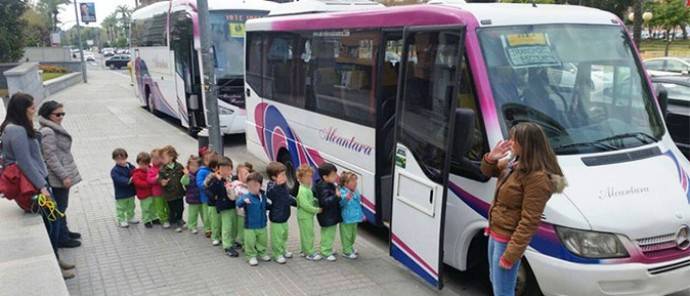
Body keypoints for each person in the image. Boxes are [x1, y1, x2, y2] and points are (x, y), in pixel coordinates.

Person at [480, 122, 567, 296]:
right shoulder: (515, 163)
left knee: (503, 291)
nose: (510, 143)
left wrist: (511, 254)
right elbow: (487, 171)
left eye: (514, 140)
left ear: (527, 144)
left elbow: (529, 221)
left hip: (507, 241)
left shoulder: (538, 178)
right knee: (496, 283)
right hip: (496, 233)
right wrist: (491, 157)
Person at [1, 93, 75, 279]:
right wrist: (42, 186)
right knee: (53, 222)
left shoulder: (13, 127)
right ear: (22, 109)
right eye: (32, 108)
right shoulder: (16, 130)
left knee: (53, 220)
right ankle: (55, 266)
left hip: (36, 181)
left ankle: (57, 259)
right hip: (34, 185)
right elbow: (24, 161)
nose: (34, 111)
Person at [38, 100, 82, 249]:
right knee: (60, 207)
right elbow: (50, 157)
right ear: (48, 115)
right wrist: (64, 176)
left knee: (62, 206)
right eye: (58, 114)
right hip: (57, 176)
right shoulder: (48, 131)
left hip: (61, 173)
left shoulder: (53, 127)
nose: (61, 116)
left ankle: (65, 232)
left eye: (63, 113)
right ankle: (62, 238)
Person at [206, 157, 240, 257]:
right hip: (224, 207)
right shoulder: (216, 179)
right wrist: (217, 180)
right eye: (223, 168)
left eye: (228, 168)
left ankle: (232, 241)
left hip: (233, 205)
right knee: (227, 226)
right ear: (218, 169)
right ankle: (227, 246)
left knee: (234, 225)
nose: (226, 171)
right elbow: (211, 190)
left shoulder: (233, 178)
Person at [235, 172, 271, 266]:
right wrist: (243, 201)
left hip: (262, 224)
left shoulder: (263, 196)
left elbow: (266, 206)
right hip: (250, 226)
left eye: (255, 185)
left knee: (262, 240)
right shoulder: (246, 196)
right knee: (250, 242)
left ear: (260, 185)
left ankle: (262, 252)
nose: (252, 188)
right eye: (250, 185)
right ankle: (251, 256)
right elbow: (238, 203)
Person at [265, 162, 297, 264]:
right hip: (276, 217)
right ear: (274, 177)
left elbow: (287, 197)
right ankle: (277, 254)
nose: (285, 177)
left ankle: (283, 250)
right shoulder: (272, 186)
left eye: (285, 174)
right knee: (277, 238)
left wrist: (296, 202)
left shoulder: (283, 185)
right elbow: (269, 194)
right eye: (282, 175)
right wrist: (276, 185)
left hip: (284, 216)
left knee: (284, 235)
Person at [313, 163, 341, 262]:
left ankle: (326, 248)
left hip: (329, 215)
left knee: (328, 234)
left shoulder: (326, 184)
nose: (336, 177)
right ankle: (326, 251)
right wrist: (336, 196)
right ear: (325, 177)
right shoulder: (324, 187)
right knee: (328, 234)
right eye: (333, 175)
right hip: (328, 216)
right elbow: (325, 202)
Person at [296, 165, 321, 261]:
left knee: (305, 234)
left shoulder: (306, 188)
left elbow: (309, 200)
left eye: (311, 176)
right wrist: (317, 210)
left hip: (305, 216)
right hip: (305, 216)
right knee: (308, 234)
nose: (310, 179)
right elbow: (305, 205)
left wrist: (315, 200)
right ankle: (310, 253)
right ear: (300, 178)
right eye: (307, 177)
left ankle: (304, 250)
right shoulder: (303, 190)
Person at [158, 145, 185, 232]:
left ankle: (180, 219)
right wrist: (162, 182)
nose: (162, 159)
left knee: (181, 207)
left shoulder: (179, 166)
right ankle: (173, 221)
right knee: (172, 209)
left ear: (171, 157)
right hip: (169, 194)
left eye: (163, 157)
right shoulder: (162, 169)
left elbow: (184, 176)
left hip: (179, 192)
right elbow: (160, 179)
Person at [338, 171, 364, 260]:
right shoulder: (342, 192)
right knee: (346, 235)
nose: (355, 183)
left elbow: (358, 204)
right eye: (352, 181)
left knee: (353, 235)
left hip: (355, 218)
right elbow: (340, 204)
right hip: (346, 218)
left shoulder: (355, 191)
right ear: (345, 183)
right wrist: (345, 199)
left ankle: (350, 246)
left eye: (355, 181)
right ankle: (347, 251)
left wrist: (361, 215)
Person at [111, 148, 138, 228]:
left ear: (126, 157)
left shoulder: (130, 166)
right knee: (121, 207)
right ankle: (121, 219)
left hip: (131, 191)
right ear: (114, 159)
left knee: (131, 205)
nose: (121, 161)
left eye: (122, 159)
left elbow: (136, 172)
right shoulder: (114, 170)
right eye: (118, 159)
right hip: (121, 193)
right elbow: (118, 179)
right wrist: (128, 180)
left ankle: (130, 217)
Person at [230, 162, 253, 249]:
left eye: (248, 173)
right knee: (241, 228)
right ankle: (242, 242)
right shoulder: (236, 184)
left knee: (248, 229)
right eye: (245, 174)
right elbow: (233, 193)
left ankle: (247, 242)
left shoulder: (251, 184)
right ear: (239, 176)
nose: (248, 175)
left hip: (250, 212)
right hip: (240, 212)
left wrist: (246, 185)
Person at [196, 150, 217, 238]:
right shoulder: (202, 171)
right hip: (205, 197)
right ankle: (207, 228)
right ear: (205, 161)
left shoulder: (213, 170)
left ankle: (214, 227)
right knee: (207, 214)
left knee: (213, 214)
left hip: (213, 197)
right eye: (209, 160)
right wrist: (207, 185)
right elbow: (199, 184)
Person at [132, 152, 155, 228]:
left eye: (145, 164)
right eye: (141, 164)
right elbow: (138, 183)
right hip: (144, 195)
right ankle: (146, 220)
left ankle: (154, 217)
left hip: (152, 193)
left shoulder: (151, 169)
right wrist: (149, 183)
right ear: (138, 163)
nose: (143, 166)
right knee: (146, 208)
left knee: (153, 206)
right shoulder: (137, 173)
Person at [204, 156, 222, 245]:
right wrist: (213, 196)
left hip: (222, 203)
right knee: (215, 222)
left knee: (221, 221)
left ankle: (221, 236)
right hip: (213, 203)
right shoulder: (210, 177)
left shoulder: (225, 176)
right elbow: (205, 188)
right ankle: (215, 237)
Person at [181, 155, 202, 234]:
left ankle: (207, 227)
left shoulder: (200, 174)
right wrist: (186, 175)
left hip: (201, 198)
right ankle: (192, 226)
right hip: (192, 198)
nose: (193, 168)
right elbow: (183, 182)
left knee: (204, 214)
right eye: (191, 165)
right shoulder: (188, 175)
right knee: (192, 214)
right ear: (188, 166)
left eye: (196, 166)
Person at [147, 148, 167, 226]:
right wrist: (156, 177)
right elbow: (149, 180)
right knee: (159, 208)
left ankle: (168, 217)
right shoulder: (151, 169)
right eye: (153, 158)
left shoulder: (165, 167)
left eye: (158, 158)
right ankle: (163, 220)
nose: (156, 160)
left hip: (166, 192)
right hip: (157, 193)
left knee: (167, 206)